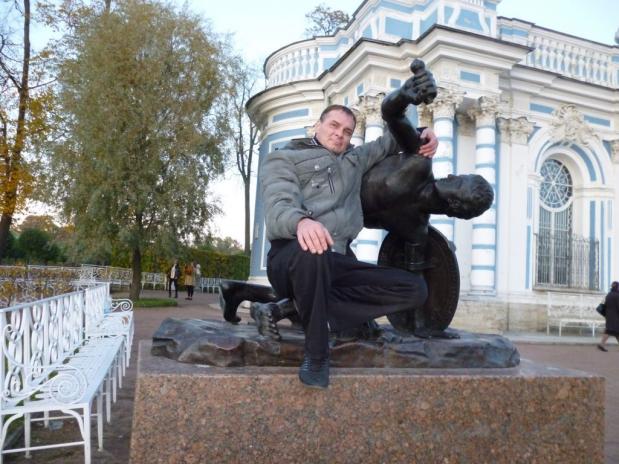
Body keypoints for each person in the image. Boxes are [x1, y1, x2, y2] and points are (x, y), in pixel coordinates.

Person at [259, 64, 439, 389]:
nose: (339, 134)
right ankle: (317, 356)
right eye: (333, 125)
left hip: (336, 261)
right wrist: (301, 222)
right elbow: (277, 205)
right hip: (291, 257)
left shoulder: (355, 159)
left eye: (346, 131)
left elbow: (393, 140)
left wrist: (423, 132)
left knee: (415, 289)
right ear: (318, 125)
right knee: (313, 251)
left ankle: (299, 308)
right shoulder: (283, 158)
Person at [597, 281, 619, 351]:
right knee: (610, 331)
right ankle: (601, 344)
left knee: (615, 331)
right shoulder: (617, 295)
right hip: (615, 317)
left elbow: (605, 305)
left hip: (609, 315)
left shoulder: (609, 295)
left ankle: (601, 345)